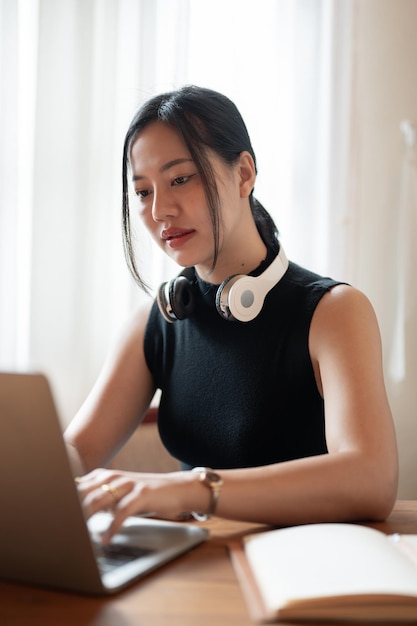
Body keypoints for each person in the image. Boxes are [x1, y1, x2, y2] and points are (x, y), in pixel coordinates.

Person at [64, 85, 398, 544]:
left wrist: (193, 487)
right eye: (142, 191)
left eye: (180, 178)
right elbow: (72, 456)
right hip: (200, 570)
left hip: (310, 572)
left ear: (243, 174)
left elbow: (372, 479)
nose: (160, 210)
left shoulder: (334, 312)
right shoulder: (155, 323)